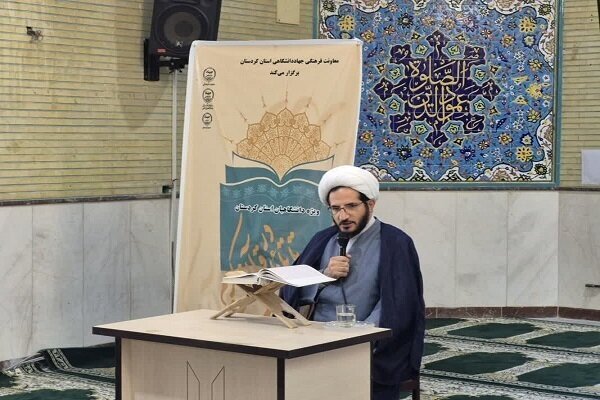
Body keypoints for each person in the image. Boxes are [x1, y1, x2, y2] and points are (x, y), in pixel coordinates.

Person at [280, 165, 425, 400]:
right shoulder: (322, 239)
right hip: (316, 343)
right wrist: (324, 275)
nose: (343, 216)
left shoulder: (395, 242)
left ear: (370, 204)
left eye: (351, 206)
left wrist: (359, 340)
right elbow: (291, 291)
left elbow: (399, 304)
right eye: (336, 209)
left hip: (370, 346)